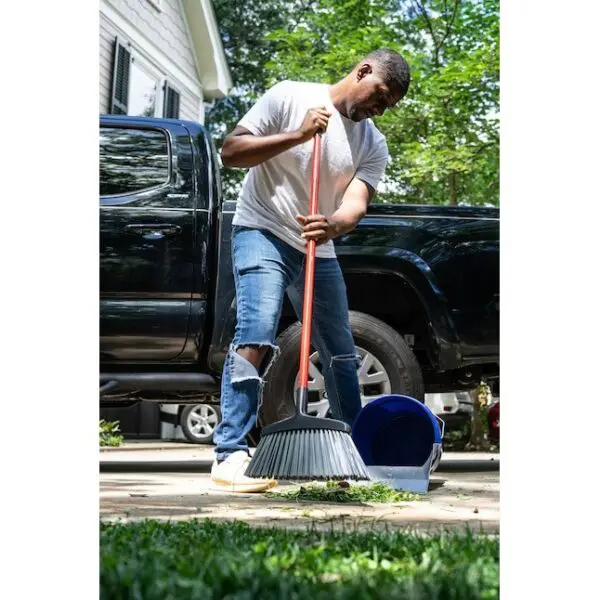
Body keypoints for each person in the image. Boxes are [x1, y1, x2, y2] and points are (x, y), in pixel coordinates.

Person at [211, 48, 411, 492]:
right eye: (380, 94)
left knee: (340, 351)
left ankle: (352, 457)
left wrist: (333, 225)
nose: (381, 108)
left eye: (389, 105)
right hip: (262, 229)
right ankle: (230, 455)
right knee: (258, 332)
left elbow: (355, 206)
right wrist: (299, 135)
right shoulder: (289, 97)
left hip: (317, 247)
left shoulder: (372, 144)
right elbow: (231, 151)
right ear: (362, 71)